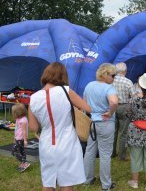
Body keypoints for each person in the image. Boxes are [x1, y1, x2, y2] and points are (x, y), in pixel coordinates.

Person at [28, 62, 91, 191]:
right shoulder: (66, 91)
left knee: (48, 182)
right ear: (63, 76)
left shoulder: (33, 98)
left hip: (46, 142)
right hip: (67, 141)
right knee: (67, 183)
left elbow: (33, 127)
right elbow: (87, 108)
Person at [83, 63, 118, 191]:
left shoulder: (89, 85)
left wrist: (91, 114)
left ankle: (87, 178)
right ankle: (106, 185)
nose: (114, 78)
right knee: (105, 154)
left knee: (89, 151)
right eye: (113, 75)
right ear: (105, 75)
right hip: (105, 123)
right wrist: (110, 112)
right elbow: (114, 102)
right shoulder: (109, 88)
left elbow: (84, 104)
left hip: (92, 122)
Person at [112, 62, 135, 160]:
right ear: (125, 71)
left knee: (113, 131)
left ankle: (111, 153)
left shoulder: (111, 80)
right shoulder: (128, 82)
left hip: (112, 106)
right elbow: (133, 96)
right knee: (123, 132)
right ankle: (121, 156)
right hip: (124, 106)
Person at [11, 103, 30, 172]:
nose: (13, 114)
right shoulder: (18, 119)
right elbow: (16, 128)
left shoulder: (23, 120)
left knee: (14, 151)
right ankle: (23, 162)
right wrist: (15, 136)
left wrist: (25, 140)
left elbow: (24, 131)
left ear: (18, 113)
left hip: (21, 139)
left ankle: (25, 162)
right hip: (18, 138)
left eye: (14, 113)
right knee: (21, 151)